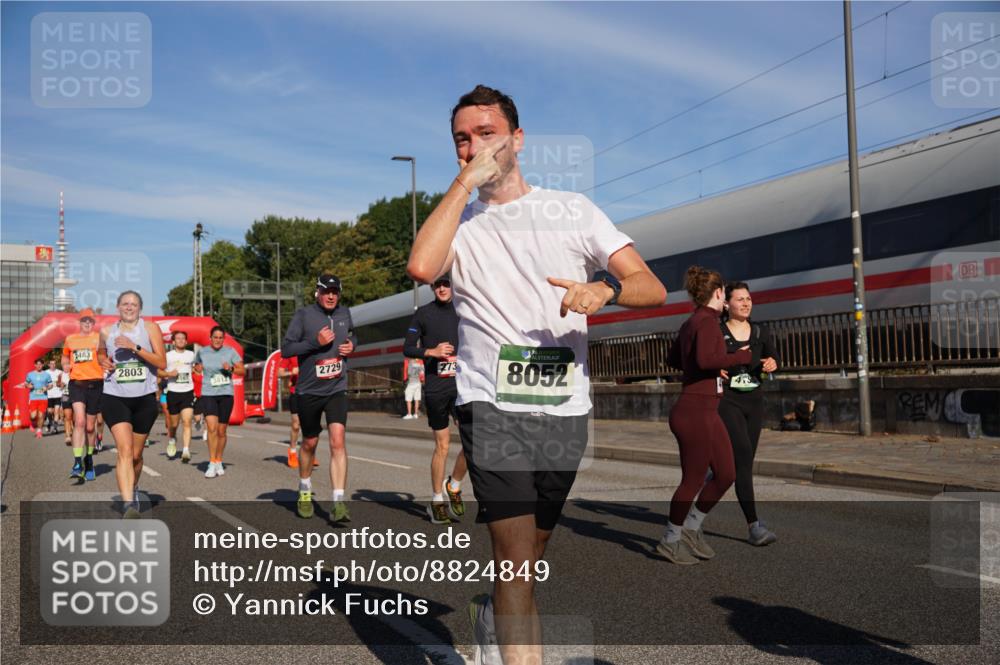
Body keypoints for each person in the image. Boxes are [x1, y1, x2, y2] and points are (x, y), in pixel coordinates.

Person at [407, 85, 666, 664]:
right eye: (461, 140)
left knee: (533, 552)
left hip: (563, 410)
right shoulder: (462, 224)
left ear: (517, 140)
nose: (473, 147)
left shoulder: (571, 211)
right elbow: (422, 265)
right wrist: (463, 184)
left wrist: (605, 288)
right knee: (517, 559)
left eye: (487, 134)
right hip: (489, 404)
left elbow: (651, 285)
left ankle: (493, 618)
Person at [660, 267, 752, 565]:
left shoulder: (692, 322)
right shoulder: (708, 322)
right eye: (724, 292)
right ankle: (670, 540)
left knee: (726, 473)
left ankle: (691, 528)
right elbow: (704, 358)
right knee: (693, 480)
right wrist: (739, 356)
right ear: (717, 293)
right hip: (694, 411)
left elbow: (675, 358)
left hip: (706, 409)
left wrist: (711, 367)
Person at [281, 274, 357, 521]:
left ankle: (338, 502)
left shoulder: (345, 313)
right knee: (310, 443)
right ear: (318, 292)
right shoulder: (304, 316)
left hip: (336, 388)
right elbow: (287, 349)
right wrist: (315, 342)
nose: (331, 295)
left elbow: (353, 335)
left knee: (338, 441)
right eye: (327, 291)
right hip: (309, 390)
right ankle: (304, 489)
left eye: (335, 291)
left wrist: (352, 345)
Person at [402, 274, 468, 525]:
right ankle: (437, 500)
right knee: (442, 446)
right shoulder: (423, 314)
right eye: (437, 284)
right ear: (431, 287)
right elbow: (408, 347)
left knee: (474, 441)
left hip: (463, 386)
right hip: (437, 388)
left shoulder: (464, 308)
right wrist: (432, 351)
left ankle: (454, 485)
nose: (442, 288)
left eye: (446, 283)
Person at [719, 282, 780, 546]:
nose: (746, 303)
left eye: (748, 299)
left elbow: (774, 360)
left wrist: (772, 363)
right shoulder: (717, 332)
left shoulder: (760, 331)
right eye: (740, 299)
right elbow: (704, 359)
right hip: (728, 403)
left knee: (740, 465)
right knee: (743, 459)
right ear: (727, 304)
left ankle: (714, 478)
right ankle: (754, 526)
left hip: (754, 403)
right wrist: (713, 369)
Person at [97, 291, 167, 518]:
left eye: (134, 304)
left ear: (140, 308)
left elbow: (161, 362)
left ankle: (133, 488)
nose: (129, 307)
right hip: (114, 396)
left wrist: (134, 347)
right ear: (118, 306)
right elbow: (100, 351)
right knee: (124, 451)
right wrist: (103, 360)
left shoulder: (150, 329)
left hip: (144, 398)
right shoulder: (107, 331)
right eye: (125, 304)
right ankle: (128, 505)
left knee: (136, 456)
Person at [193, 326, 244, 478]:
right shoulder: (202, 352)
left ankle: (219, 460)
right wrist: (198, 368)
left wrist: (231, 369)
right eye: (215, 337)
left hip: (226, 394)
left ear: (223, 339)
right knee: (211, 427)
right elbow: (196, 367)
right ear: (210, 338)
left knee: (222, 431)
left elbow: (242, 371)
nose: (217, 340)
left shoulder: (230, 352)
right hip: (208, 393)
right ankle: (211, 462)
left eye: (220, 338)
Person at [63, 309, 103, 479]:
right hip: (77, 384)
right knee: (79, 421)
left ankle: (89, 459)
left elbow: (105, 356)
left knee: (89, 427)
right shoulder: (70, 339)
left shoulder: (99, 338)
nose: (87, 323)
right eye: (84, 320)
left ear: (93, 323)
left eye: (90, 321)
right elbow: (65, 357)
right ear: (79, 322)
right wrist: (65, 364)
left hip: (95, 384)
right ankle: (77, 461)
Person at [159, 330, 196, 462]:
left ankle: (186, 450)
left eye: (183, 338)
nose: (180, 340)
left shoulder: (191, 355)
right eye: (178, 338)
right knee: (173, 424)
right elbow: (158, 371)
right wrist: (169, 374)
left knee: (187, 421)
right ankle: (172, 439)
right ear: (173, 342)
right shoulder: (167, 356)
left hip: (187, 392)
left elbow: (197, 368)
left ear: (186, 341)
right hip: (173, 392)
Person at [277, 355, 314, 469]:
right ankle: (292, 453)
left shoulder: (311, 352)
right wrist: (291, 373)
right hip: (296, 393)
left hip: (311, 392)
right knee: (296, 425)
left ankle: (309, 454)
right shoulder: (291, 354)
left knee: (309, 425)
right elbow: (279, 373)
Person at [23, 358, 52, 439]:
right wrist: (29, 386)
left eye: (40, 364)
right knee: (33, 415)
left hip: (43, 397)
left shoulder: (46, 374)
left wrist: (47, 388)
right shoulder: (30, 374)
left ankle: (39, 431)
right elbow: (26, 383)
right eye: (37, 364)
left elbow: (50, 384)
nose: (39, 366)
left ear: (43, 365)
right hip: (33, 397)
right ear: (34, 365)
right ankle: (32, 423)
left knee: (41, 415)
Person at [45, 359, 66, 435]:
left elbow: (64, 381)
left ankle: (55, 427)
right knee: (50, 412)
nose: (53, 365)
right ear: (49, 365)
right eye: (51, 364)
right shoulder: (46, 373)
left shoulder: (60, 372)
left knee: (56, 411)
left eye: (54, 364)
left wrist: (61, 385)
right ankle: (50, 423)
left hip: (58, 394)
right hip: (49, 395)